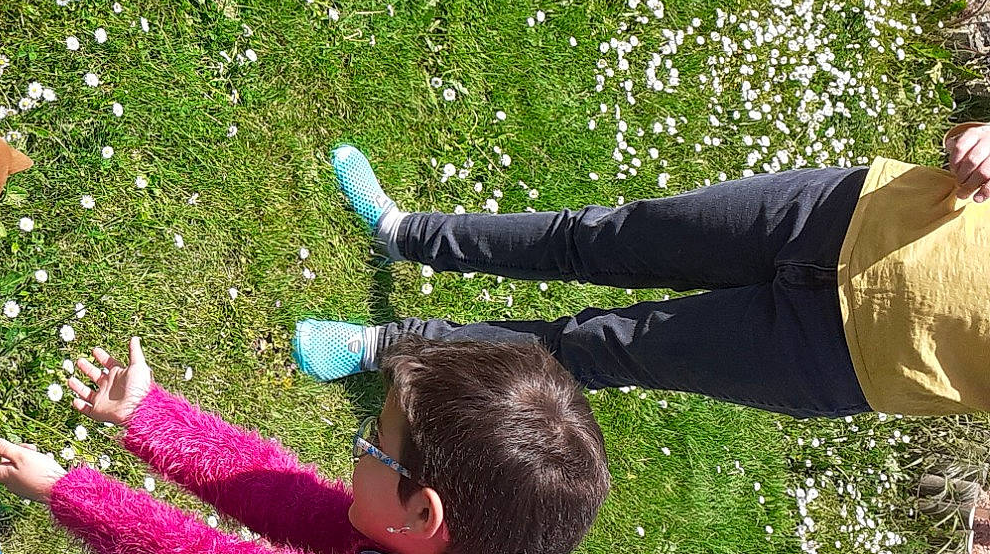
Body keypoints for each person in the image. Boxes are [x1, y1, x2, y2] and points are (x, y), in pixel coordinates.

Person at [0, 335, 611, 554]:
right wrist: (147, 416)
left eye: (372, 441)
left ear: (422, 516)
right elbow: (284, 495)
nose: (355, 450)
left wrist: (63, 489)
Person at [293, 122, 990, 418]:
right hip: (856, 212)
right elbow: (972, 140)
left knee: (591, 350)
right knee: (604, 238)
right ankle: (402, 232)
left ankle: (384, 348)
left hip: (849, 360)